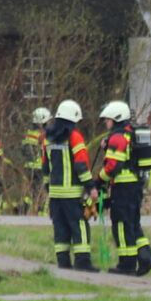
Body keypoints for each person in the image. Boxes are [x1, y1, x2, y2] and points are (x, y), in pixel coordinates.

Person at [93, 100, 151, 275]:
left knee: (121, 224)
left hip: (123, 187)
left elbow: (113, 165)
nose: (106, 123)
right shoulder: (129, 134)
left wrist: (99, 181)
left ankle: (126, 264)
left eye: (108, 119)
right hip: (135, 186)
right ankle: (146, 257)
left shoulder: (118, 137)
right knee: (133, 223)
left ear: (116, 118)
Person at [42, 99, 95, 271]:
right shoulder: (74, 137)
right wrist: (90, 186)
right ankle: (82, 262)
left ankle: (63, 262)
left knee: (60, 227)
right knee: (79, 225)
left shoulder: (47, 138)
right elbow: (81, 165)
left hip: (55, 194)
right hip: (73, 194)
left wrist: (48, 188)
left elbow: (45, 166)